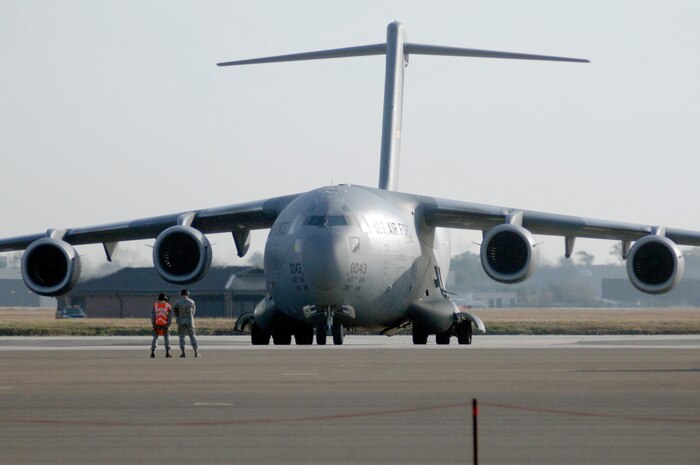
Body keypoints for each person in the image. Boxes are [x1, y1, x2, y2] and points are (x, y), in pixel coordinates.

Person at [173, 289, 199, 358]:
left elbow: (175, 312)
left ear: (181, 294)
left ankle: (183, 352)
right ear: (188, 294)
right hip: (190, 321)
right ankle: (196, 352)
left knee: (182, 337)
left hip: (181, 321)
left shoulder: (177, 302)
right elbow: (193, 312)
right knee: (192, 336)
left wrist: (178, 317)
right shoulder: (191, 302)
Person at [150, 293, 172, 358]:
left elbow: (153, 316)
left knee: (155, 338)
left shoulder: (155, 305)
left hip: (157, 324)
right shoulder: (168, 305)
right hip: (165, 324)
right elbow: (169, 317)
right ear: (165, 299)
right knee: (166, 339)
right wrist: (168, 325)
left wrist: (154, 325)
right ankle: (167, 353)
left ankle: (152, 352)